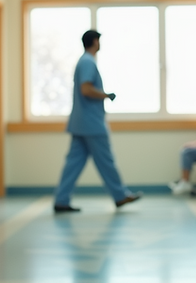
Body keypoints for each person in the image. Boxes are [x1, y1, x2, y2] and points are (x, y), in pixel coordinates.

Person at [53, 30, 142, 213]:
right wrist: (106, 95)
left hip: (80, 123)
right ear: (95, 41)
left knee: (73, 164)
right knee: (106, 160)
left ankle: (61, 200)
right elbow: (86, 89)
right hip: (91, 123)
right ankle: (120, 196)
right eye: (99, 41)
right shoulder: (87, 62)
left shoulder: (83, 61)